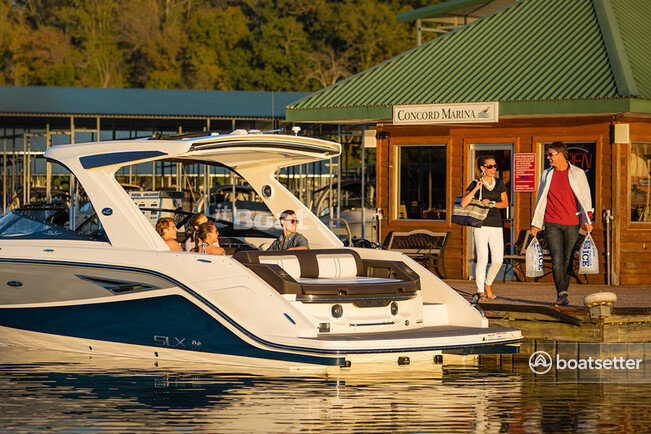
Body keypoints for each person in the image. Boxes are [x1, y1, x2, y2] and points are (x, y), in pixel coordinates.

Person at [531, 141, 593, 306]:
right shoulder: (546, 174)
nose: (548, 157)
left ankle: (563, 291)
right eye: (548, 154)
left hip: (572, 222)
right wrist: (536, 223)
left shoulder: (577, 173)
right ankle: (562, 293)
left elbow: (585, 196)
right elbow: (541, 199)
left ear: (562, 155)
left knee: (568, 259)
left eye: (551, 154)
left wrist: (587, 219)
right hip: (552, 222)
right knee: (557, 258)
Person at [461, 155, 508, 303]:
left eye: (495, 166)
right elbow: (463, 203)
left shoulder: (499, 183)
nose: (493, 169)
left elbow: (505, 203)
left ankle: (488, 284)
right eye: (490, 166)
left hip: (496, 224)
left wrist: (492, 203)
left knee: (498, 260)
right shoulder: (476, 182)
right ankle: (480, 291)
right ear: (482, 168)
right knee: (482, 258)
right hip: (480, 224)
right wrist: (476, 188)